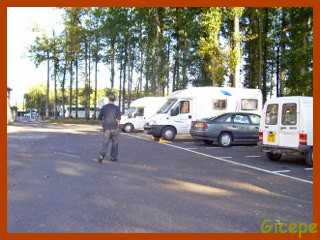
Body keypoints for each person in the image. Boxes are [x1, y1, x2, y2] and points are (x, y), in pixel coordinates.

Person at [98, 93, 121, 163]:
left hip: (106, 128)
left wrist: (103, 125)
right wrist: (118, 126)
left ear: (108, 99)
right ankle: (113, 157)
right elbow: (118, 119)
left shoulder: (104, 107)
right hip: (114, 128)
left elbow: (100, 118)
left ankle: (101, 156)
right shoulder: (117, 108)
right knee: (115, 143)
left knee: (105, 143)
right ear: (114, 100)